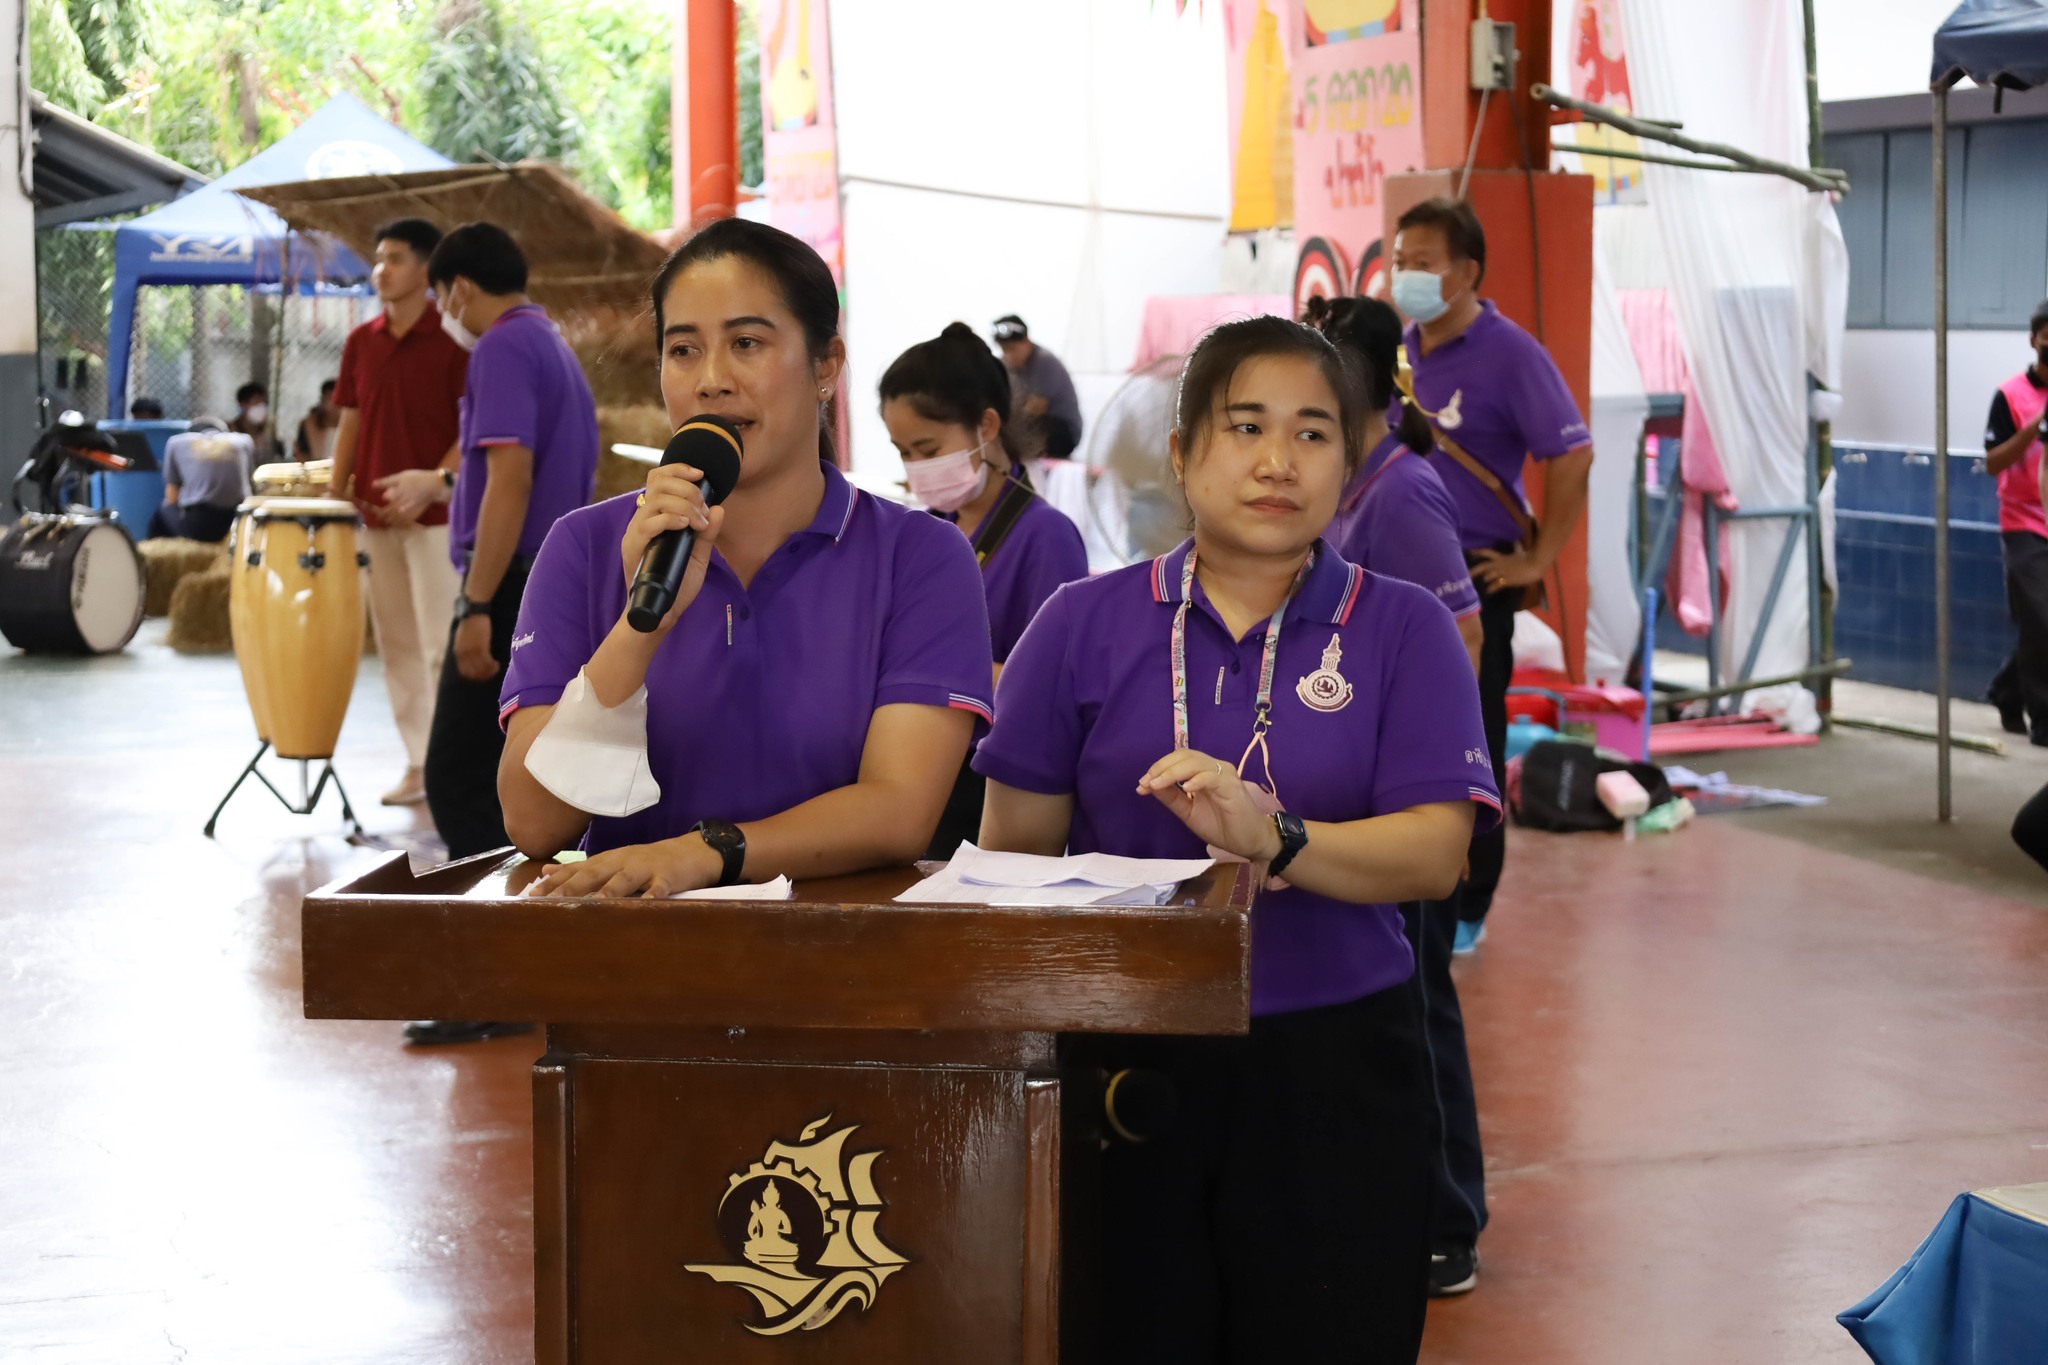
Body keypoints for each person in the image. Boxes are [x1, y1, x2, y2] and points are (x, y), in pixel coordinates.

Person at [975, 316, 1500, 1363]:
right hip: (1122, 1057)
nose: (1275, 462)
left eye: (1311, 434)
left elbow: (1435, 852)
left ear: (1348, 461)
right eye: (1243, 426)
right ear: (1181, 454)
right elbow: (1012, 867)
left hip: (1337, 1064)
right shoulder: (1078, 626)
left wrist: (1278, 840)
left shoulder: (1401, 630)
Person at [496, 218, 993, 912]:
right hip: (632, 973)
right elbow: (534, 822)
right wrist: (642, 624)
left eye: (747, 343)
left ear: (825, 365)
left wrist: (704, 853)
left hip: (852, 974)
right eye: (683, 349)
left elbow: (900, 809)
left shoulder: (923, 557)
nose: (711, 381)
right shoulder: (582, 547)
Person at [1312, 291, 1490, 1298]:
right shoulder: (1343, 487)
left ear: (1370, 386)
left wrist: (1423, 786)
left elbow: (1454, 643)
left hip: (1398, 796)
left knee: (1417, 1003)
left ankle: (1446, 1216)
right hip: (1348, 800)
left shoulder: (1402, 495)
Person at [403, 222, 597, 1048]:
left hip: (513, 582)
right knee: (503, 775)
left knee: (459, 776)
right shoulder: (548, 341)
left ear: (458, 289)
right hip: (538, 580)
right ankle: (518, 965)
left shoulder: (502, 349)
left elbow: (508, 478)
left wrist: (474, 604)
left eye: (442, 293)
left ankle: (498, 973)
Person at [1392, 196, 1591, 957]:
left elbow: (1572, 452)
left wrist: (1538, 561)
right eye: (1400, 259)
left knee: (1469, 740)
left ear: (1467, 271)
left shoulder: (1510, 352)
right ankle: (1415, 890)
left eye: (1423, 261)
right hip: (1404, 577)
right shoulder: (1399, 353)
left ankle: (1469, 903)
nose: (1407, 273)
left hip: (1477, 578)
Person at [879, 322, 1089, 855]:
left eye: (927, 447)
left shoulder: (1045, 536)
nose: (915, 468)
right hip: (908, 770)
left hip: (991, 790)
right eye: (903, 452)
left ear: (987, 425)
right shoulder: (924, 532)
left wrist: (925, 673)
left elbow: (1054, 692)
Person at [327, 219, 471, 809]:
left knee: (443, 645)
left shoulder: (457, 341)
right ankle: (418, 764)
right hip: (375, 519)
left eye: (394, 258)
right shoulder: (362, 341)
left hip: (438, 520)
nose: (381, 269)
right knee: (398, 647)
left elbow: (476, 428)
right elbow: (350, 420)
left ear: (426, 270)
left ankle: (452, 768)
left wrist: (432, 486)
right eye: (377, 258)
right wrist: (338, 493)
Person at [1982, 300, 2048, 744]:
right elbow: (1991, 462)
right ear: (2034, 339)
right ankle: (2044, 717)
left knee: (2038, 622)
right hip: (2024, 521)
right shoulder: (2010, 395)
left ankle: (2007, 689)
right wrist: (2032, 431)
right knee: (2042, 617)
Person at [146, 417, 252, 542]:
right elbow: (248, 482)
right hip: (239, 523)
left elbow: (171, 498)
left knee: (162, 512)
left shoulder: (176, 442)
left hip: (199, 525)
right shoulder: (243, 442)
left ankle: (152, 560)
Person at [993, 314, 1083, 459]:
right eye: (1004, 350)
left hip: (1061, 432)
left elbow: (1037, 407)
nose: (1008, 355)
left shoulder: (1044, 361)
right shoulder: (1005, 365)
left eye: (1012, 349)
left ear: (1026, 341)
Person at [228, 381, 281, 459]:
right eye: (256, 403)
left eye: (263, 403)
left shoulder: (270, 430)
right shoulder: (231, 431)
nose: (261, 408)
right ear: (243, 404)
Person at [293, 379, 341, 463]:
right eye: (329, 398)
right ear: (322, 399)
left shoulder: (350, 426)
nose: (333, 405)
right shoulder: (310, 424)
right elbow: (302, 454)